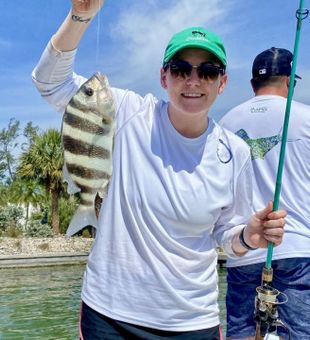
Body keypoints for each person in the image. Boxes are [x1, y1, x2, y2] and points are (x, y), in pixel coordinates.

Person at [32, 1, 286, 339]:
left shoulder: (234, 152)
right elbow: (50, 82)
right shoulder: (127, 112)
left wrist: (247, 237)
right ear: (163, 76)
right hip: (110, 315)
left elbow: (227, 234)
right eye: (181, 68)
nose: (193, 80)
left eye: (207, 71)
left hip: (193, 321)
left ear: (222, 82)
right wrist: (80, 15)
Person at [220, 47, 310, 340]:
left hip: (243, 251)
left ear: (251, 85)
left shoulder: (225, 124)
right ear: (289, 81)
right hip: (297, 250)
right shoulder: (306, 117)